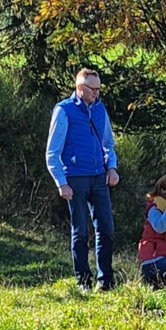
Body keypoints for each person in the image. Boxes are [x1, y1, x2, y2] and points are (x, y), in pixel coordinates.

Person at [46, 68, 119, 291]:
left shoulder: (100, 108)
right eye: (93, 89)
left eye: (99, 89)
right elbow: (52, 152)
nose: (97, 93)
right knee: (80, 231)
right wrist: (62, 182)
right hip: (75, 178)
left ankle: (105, 281)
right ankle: (83, 280)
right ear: (80, 88)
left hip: (99, 176)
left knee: (106, 228)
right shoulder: (64, 110)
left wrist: (112, 168)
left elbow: (108, 142)